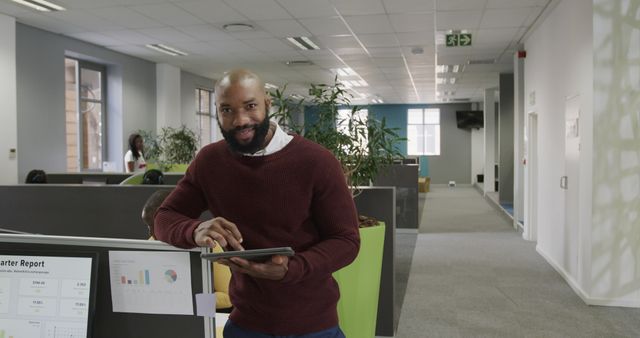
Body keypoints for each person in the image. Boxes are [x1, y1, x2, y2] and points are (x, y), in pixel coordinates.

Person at [154, 69, 360, 337]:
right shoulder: (209, 162)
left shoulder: (316, 161)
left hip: (312, 325)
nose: (240, 120)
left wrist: (293, 268)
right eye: (226, 109)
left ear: (267, 104)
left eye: (250, 106)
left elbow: (346, 240)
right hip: (244, 323)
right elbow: (164, 217)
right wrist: (194, 230)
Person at [142, 189, 233, 311]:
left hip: (200, 320)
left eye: (154, 225)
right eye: (148, 226)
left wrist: (185, 303)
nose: (151, 232)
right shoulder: (151, 244)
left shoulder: (209, 246)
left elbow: (227, 298)